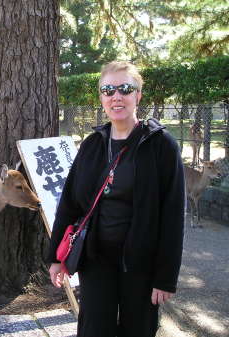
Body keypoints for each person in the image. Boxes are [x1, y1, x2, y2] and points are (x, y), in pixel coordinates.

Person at [48, 61, 185, 337]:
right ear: (101, 97)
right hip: (96, 256)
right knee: (94, 328)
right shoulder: (92, 144)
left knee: (138, 329)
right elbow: (70, 203)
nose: (116, 96)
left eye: (125, 88)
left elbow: (173, 216)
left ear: (138, 95)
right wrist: (54, 257)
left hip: (141, 262)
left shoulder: (161, 145)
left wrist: (165, 278)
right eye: (108, 90)